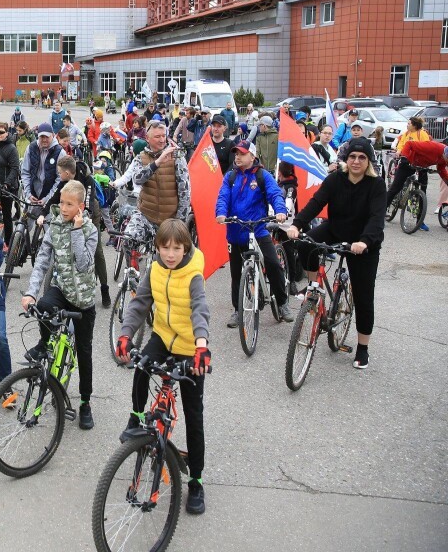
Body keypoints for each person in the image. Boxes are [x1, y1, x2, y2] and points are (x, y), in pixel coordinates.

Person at [115, 218, 211, 515]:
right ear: (157, 248)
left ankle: (195, 481)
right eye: (165, 248)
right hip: (163, 336)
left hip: (189, 347)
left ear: (186, 247)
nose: (170, 254)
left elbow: (200, 309)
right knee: (141, 365)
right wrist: (125, 334)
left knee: (194, 414)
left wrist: (201, 346)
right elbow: (140, 303)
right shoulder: (155, 268)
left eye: (177, 248)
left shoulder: (193, 274)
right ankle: (136, 416)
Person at [287, 136, 386, 369]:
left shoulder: (376, 185)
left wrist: (363, 242)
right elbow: (316, 203)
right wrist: (297, 225)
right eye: (352, 156)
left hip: (364, 242)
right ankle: (314, 288)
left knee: (363, 296)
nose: (356, 161)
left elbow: (376, 218)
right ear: (346, 159)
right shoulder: (335, 180)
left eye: (362, 157)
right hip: (336, 229)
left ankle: (363, 348)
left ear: (368, 161)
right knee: (304, 244)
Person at [21, 180, 98, 430]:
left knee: (84, 352)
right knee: (42, 308)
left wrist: (76, 232)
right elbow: (42, 261)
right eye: (62, 203)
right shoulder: (54, 225)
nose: (63, 208)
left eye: (69, 204)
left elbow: (85, 264)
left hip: (84, 299)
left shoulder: (89, 230)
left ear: (80, 207)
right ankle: (45, 344)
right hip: (62, 289)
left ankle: (85, 402)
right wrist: (31, 293)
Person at [215, 140, 291, 328]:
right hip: (235, 231)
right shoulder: (230, 176)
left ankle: (282, 303)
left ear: (252, 156)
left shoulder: (262, 175)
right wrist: (221, 213)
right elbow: (223, 196)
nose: (238, 157)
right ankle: (237, 309)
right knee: (235, 274)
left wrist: (280, 210)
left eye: (242, 153)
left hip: (258, 230)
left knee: (273, 263)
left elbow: (275, 194)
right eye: (236, 154)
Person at [38, 155, 111, 308]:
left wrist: (86, 219)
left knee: (97, 253)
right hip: (69, 216)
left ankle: (104, 288)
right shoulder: (64, 183)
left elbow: (89, 200)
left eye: (59, 173)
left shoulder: (87, 178)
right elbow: (53, 199)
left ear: (67, 172)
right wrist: (42, 213)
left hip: (90, 215)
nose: (59, 175)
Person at [112, 120, 191, 247]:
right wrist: (157, 163)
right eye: (157, 136)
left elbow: (185, 191)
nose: (161, 140)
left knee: (166, 256)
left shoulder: (177, 157)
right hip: (145, 215)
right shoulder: (140, 157)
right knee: (127, 240)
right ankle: (132, 266)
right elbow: (137, 179)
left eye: (163, 136)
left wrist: (180, 221)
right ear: (147, 138)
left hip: (169, 218)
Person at [386, 135, 443, 231]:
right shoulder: (433, 146)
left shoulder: (444, 159)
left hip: (422, 167)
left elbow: (442, 170)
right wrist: (404, 157)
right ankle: (381, 212)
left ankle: (420, 221)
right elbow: (409, 144)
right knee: (396, 187)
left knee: (422, 192)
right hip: (408, 162)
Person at [21, 123, 66, 215]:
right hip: (32, 194)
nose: (44, 140)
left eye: (47, 137)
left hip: (49, 196)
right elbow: (25, 172)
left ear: (53, 136)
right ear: (38, 136)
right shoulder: (31, 148)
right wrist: (28, 194)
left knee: (47, 226)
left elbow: (60, 179)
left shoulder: (60, 152)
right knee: (25, 224)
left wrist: (48, 198)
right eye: (42, 137)